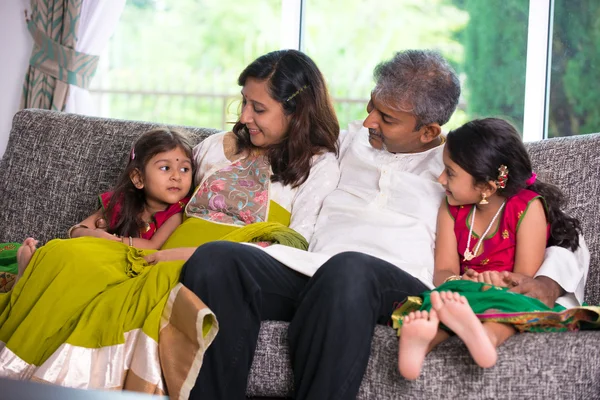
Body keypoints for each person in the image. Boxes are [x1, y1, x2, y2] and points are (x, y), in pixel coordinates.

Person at [179, 50, 590, 399]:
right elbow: (279, 128)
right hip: (314, 271)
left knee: (349, 269)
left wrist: (549, 283)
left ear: (429, 130)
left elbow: (553, 223)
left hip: (395, 288)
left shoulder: (459, 165)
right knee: (217, 261)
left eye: (387, 117)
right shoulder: (346, 140)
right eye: (372, 106)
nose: (371, 121)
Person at [0, 49, 340, 397]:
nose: (245, 116)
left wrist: (182, 255)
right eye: (243, 102)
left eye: (259, 108)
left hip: (213, 264)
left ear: (296, 110)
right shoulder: (214, 147)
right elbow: (165, 196)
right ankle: (14, 375)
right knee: (65, 254)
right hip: (156, 252)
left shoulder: (317, 165)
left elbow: (293, 248)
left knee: (128, 296)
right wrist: (110, 229)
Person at [395, 118, 600, 380]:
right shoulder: (451, 207)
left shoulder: (526, 209)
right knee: (445, 298)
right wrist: (461, 280)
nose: (441, 178)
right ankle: (420, 346)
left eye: (451, 172)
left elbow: (524, 279)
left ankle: (487, 338)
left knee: (509, 306)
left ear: (487, 187)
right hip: (464, 289)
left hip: (506, 292)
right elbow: (444, 269)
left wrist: (494, 283)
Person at [13, 128, 194, 284]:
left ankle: (31, 275)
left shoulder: (178, 211)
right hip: (100, 253)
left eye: (185, 169)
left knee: (85, 265)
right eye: (165, 168)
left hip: (127, 269)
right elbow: (76, 230)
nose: (177, 176)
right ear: (138, 178)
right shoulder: (122, 202)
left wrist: (114, 242)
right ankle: (30, 272)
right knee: (62, 248)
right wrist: (95, 234)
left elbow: (152, 246)